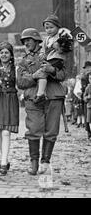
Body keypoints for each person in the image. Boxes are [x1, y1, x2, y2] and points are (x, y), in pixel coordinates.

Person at [17, 28, 66, 175]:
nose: (26, 43)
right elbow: (20, 82)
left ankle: (45, 161)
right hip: (34, 98)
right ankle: (34, 163)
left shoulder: (52, 54)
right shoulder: (24, 61)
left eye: (29, 40)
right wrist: (33, 76)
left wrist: (52, 69)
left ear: (37, 40)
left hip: (53, 96)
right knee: (33, 129)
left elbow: (63, 74)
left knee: (51, 130)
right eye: (24, 41)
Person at [0, 42, 19, 175]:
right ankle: (4, 158)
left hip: (10, 98)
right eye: (1, 53)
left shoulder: (16, 68)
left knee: (6, 131)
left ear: (11, 55)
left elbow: (21, 82)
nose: (4, 55)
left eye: (6, 52)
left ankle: (3, 163)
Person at [33, 15, 71, 104]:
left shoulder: (61, 35)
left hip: (57, 59)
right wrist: (42, 54)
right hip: (49, 59)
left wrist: (59, 45)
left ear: (58, 27)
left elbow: (66, 45)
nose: (49, 30)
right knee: (42, 73)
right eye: (47, 28)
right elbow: (43, 49)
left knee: (42, 72)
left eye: (51, 27)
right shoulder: (46, 39)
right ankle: (41, 92)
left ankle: (40, 93)